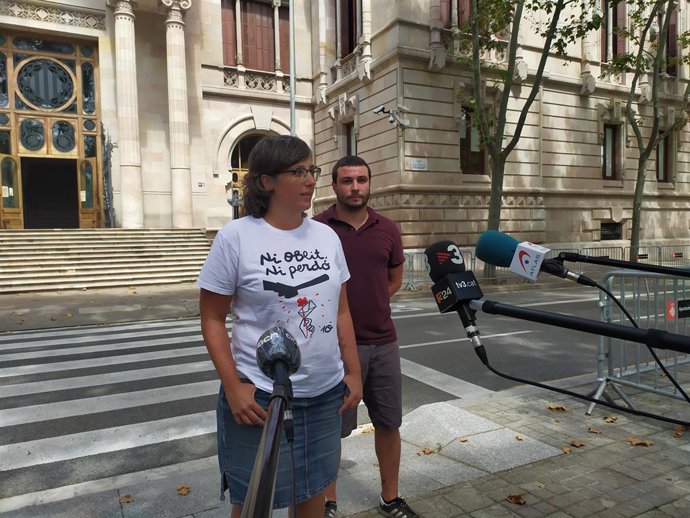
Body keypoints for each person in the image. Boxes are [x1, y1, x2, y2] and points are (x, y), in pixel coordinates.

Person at [197, 135, 362, 518]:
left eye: (312, 170)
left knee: (312, 494)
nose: (310, 180)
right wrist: (234, 387)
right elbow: (212, 319)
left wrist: (354, 372)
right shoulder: (235, 238)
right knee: (254, 501)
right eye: (298, 171)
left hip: (324, 396)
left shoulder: (327, 237)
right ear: (266, 181)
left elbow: (341, 313)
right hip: (262, 398)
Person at [314, 156, 419, 518]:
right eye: (347, 181)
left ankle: (390, 497)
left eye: (361, 180)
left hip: (384, 342)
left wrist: (372, 303)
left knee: (389, 423)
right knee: (330, 430)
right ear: (334, 186)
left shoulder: (387, 229)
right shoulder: (317, 229)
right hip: (335, 347)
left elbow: (394, 279)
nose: (354, 187)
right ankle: (327, 502)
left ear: (370, 184)